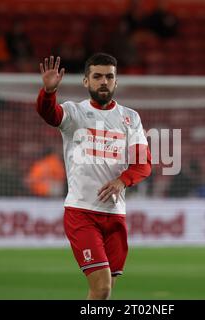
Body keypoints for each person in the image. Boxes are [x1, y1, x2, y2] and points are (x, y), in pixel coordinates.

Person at [36, 53, 152, 300]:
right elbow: (50, 114)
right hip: (82, 212)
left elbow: (143, 164)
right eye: (97, 76)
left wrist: (122, 180)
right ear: (86, 82)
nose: (104, 82)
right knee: (102, 288)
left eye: (109, 77)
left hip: (115, 214)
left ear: (116, 82)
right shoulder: (74, 113)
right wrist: (48, 92)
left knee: (103, 292)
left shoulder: (130, 118)